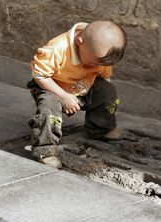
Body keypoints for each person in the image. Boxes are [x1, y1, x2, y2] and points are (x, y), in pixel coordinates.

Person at [27, 20, 127, 167]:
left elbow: (104, 78)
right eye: (94, 63)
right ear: (80, 42)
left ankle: (100, 128)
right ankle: (45, 149)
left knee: (107, 91)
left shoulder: (100, 55)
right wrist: (64, 96)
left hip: (82, 86)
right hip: (52, 87)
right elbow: (40, 76)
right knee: (49, 107)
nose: (97, 66)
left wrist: (102, 100)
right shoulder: (57, 48)